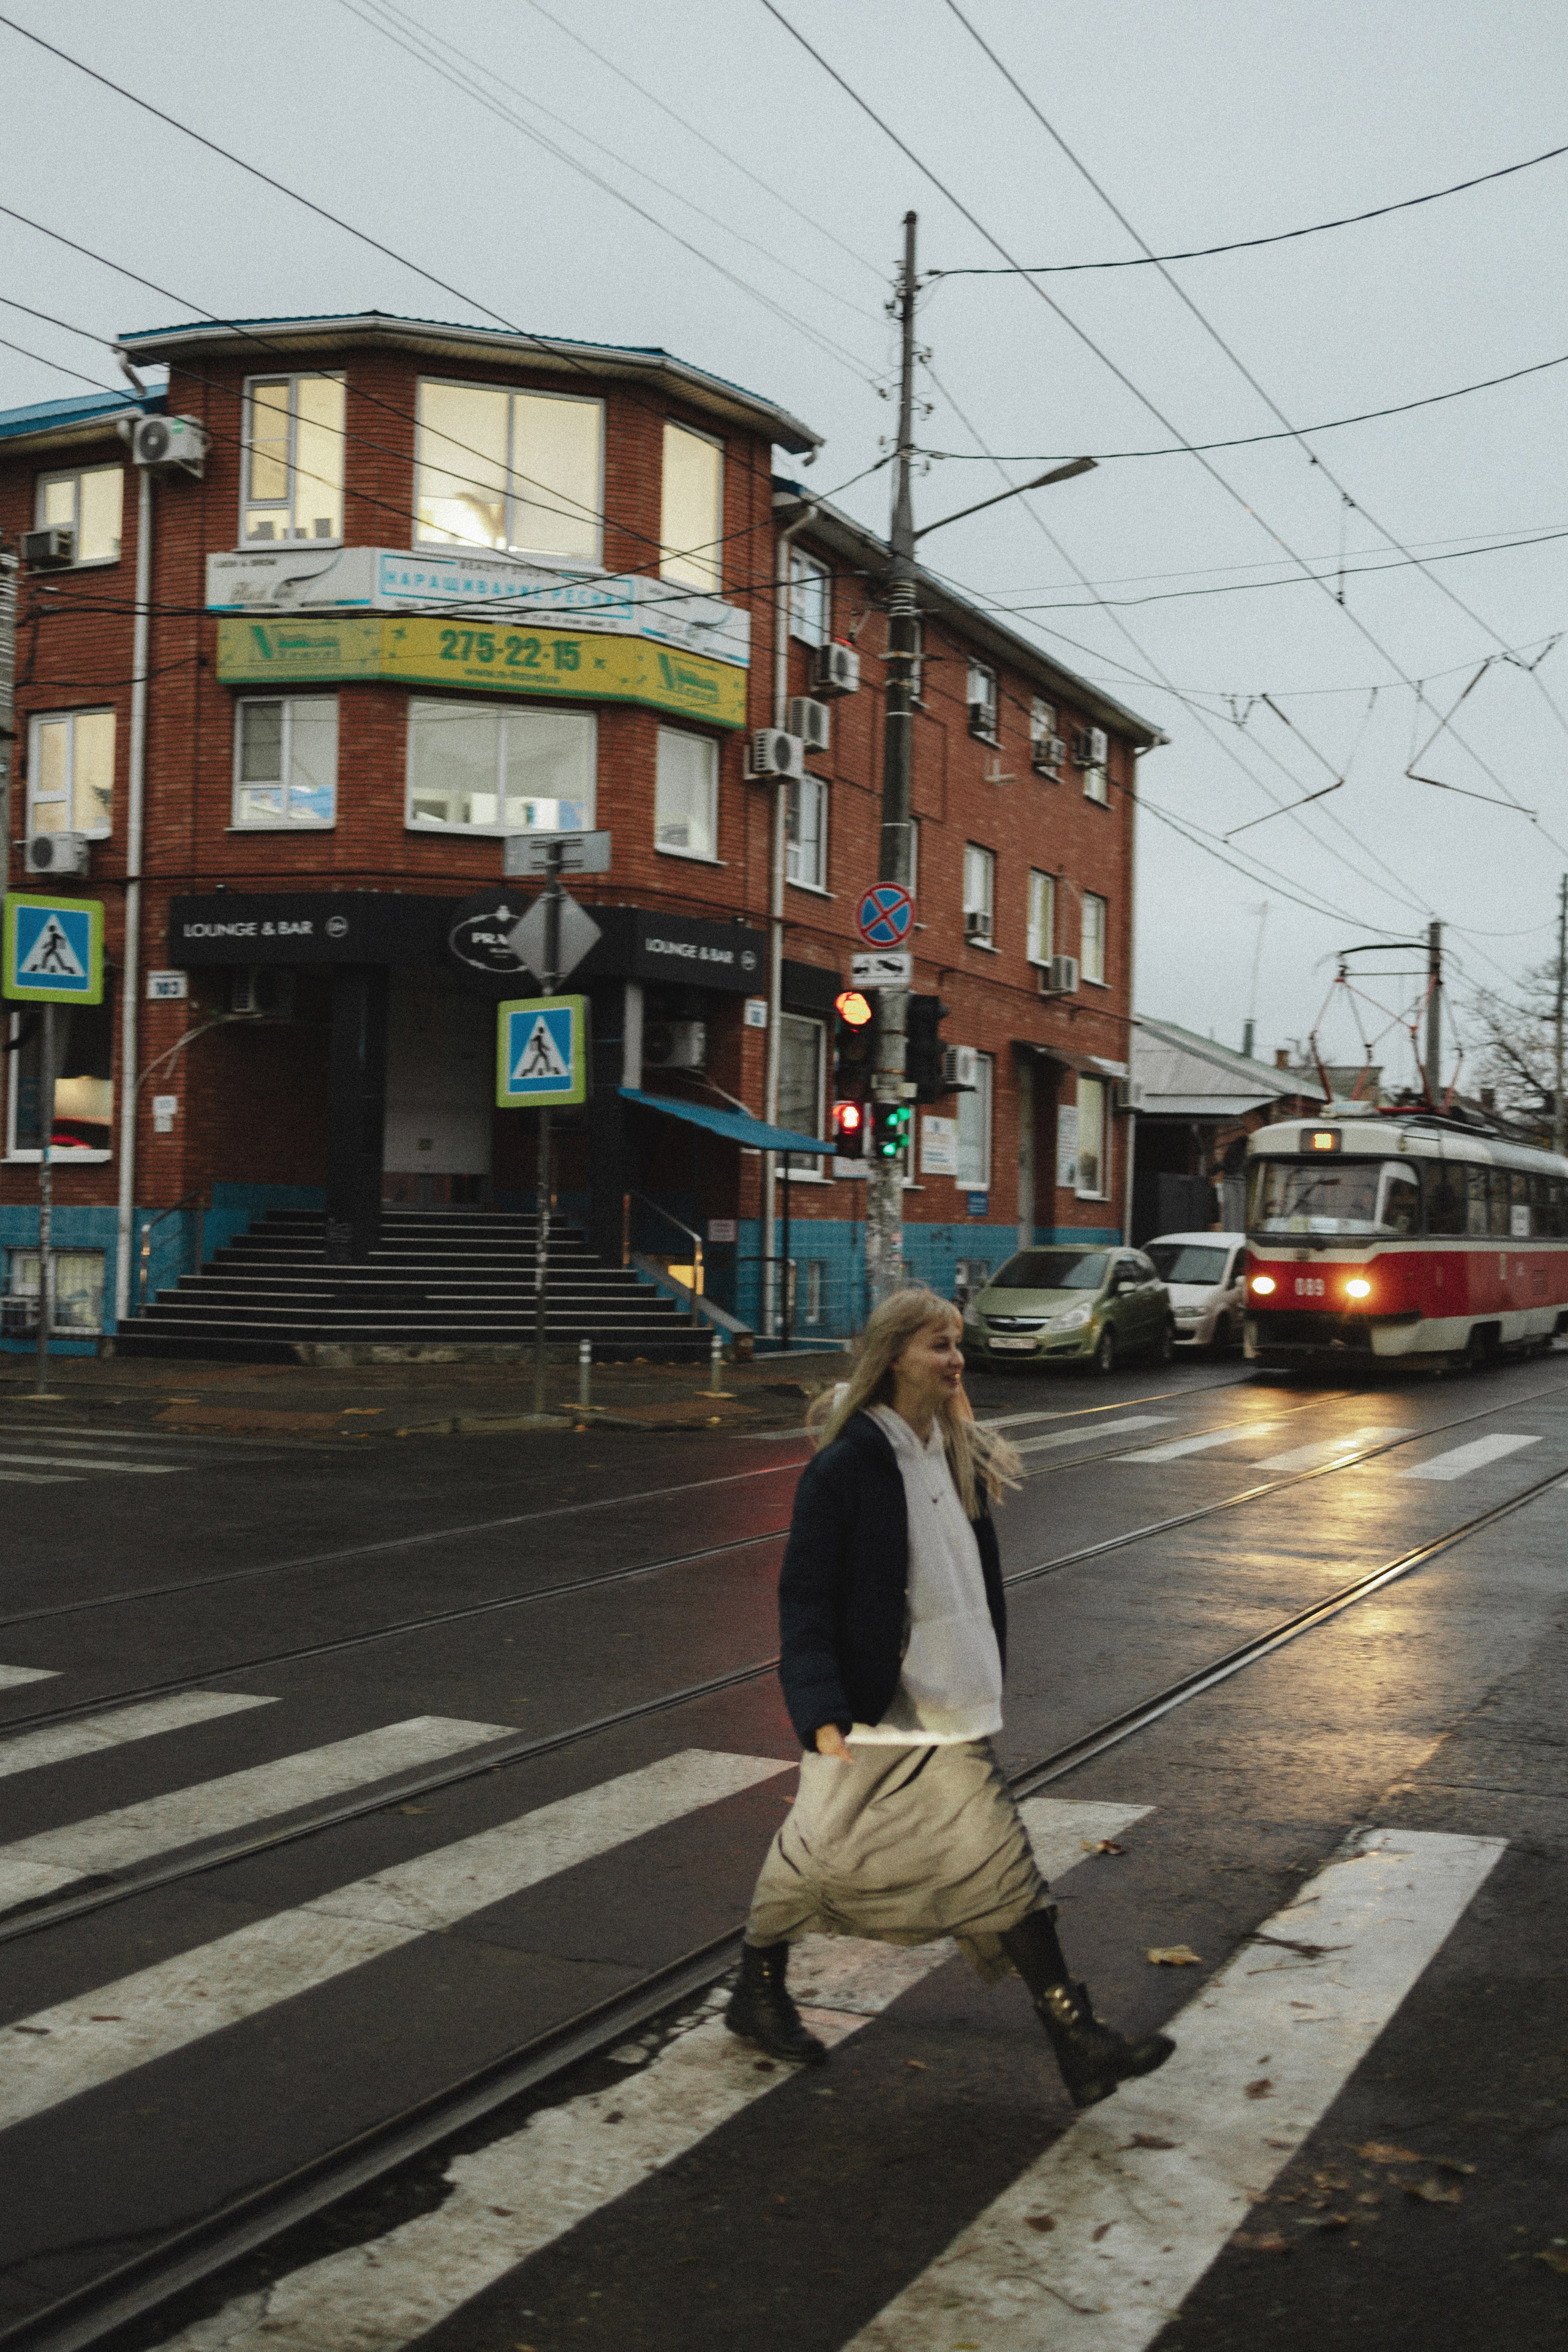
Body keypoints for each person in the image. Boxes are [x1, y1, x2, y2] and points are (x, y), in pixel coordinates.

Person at [726, 1285, 1174, 2109]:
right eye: (939, 1344)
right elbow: (806, 1594)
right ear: (895, 1356)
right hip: (881, 1702)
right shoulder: (847, 1465)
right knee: (934, 1860)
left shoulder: (953, 1450)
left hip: (946, 1696)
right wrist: (818, 1707)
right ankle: (1075, 2038)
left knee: (865, 1856)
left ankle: (760, 1989)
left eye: (958, 1343)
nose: (957, 1359)